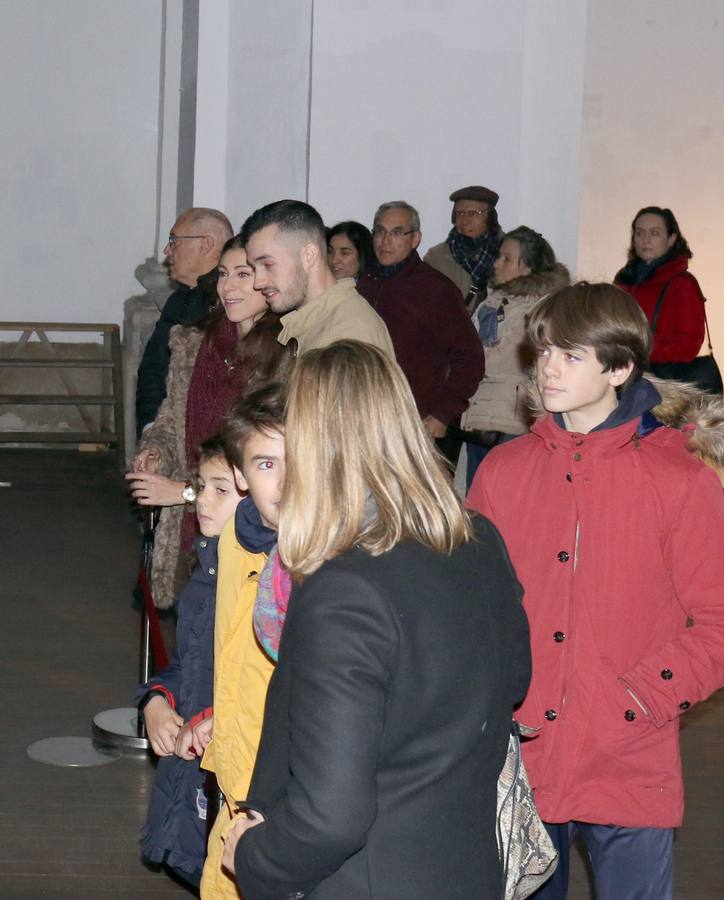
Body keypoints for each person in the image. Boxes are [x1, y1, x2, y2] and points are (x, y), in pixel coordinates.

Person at [223, 340, 531, 899]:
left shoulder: (345, 589)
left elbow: (331, 816)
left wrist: (253, 855)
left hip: (366, 880)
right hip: (464, 870)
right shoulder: (477, 539)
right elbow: (515, 680)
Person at [468, 283, 724, 900]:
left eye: (572, 355)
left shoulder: (680, 479)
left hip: (628, 757)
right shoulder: (503, 471)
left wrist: (640, 698)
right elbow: (470, 609)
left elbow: (718, 620)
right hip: (521, 757)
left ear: (619, 367)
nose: (548, 369)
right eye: (545, 350)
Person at [127, 236, 292, 609]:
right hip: (193, 532)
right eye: (222, 274)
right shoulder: (195, 343)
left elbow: (270, 466)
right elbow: (172, 420)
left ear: (268, 280)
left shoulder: (288, 354)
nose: (228, 286)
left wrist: (184, 492)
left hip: (253, 536)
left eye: (243, 274)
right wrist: (156, 451)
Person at [136, 429, 246, 887]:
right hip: (191, 759)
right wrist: (157, 702)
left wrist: (213, 719)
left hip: (228, 760)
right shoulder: (206, 573)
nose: (202, 501)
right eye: (201, 487)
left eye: (221, 491)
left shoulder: (261, 584)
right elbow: (188, 663)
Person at [199, 383, 285, 900]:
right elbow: (231, 647)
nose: (284, 482)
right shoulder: (235, 535)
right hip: (236, 766)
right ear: (240, 473)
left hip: (283, 784)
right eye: (266, 464)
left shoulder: (318, 552)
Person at [358, 200, 484, 463]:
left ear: (415, 238)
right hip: (363, 422)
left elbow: (470, 358)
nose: (385, 241)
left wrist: (443, 413)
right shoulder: (363, 285)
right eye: (379, 231)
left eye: (396, 232)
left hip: (414, 425)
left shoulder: (435, 289)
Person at [460, 226, 570, 482]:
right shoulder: (492, 301)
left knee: (502, 499)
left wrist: (462, 361)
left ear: (528, 267)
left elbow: (505, 359)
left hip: (511, 422)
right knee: (478, 499)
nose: (496, 263)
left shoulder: (538, 308)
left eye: (506, 258)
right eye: (499, 256)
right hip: (483, 416)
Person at [239, 200, 394, 357]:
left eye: (268, 264)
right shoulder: (319, 321)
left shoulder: (346, 335)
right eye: (253, 268)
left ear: (309, 256)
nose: (258, 283)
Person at [136, 208, 235, 433]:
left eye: (174, 241)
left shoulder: (232, 303)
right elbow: (152, 368)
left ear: (206, 244)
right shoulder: (180, 299)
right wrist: (151, 428)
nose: (167, 251)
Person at [615, 206, 713, 383]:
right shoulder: (624, 281)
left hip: (665, 389)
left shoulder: (682, 284)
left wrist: (637, 350)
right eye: (639, 233)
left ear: (671, 239)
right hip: (625, 380)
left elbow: (687, 345)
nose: (645, 240)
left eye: (654, 233)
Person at [425, 185, 504, 311]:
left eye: (473, 213)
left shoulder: (507, 255)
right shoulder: (436, 258)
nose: (465, 220)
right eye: (460, 213)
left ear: (490, 218)